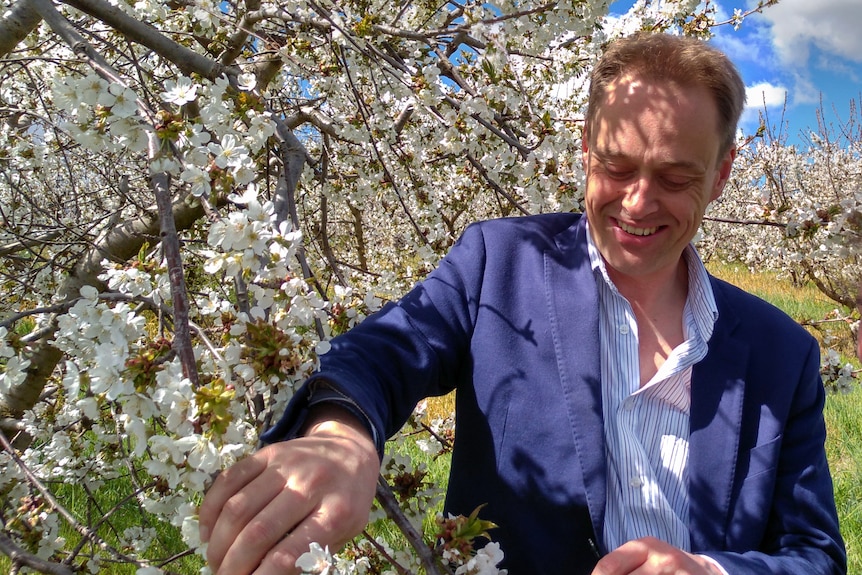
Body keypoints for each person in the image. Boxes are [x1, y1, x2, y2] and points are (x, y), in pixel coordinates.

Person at [198, 32, 847, 575]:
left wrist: (711, 571)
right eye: (617, 167)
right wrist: (339, 435)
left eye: (677, 178)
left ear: (723, 172)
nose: (639, 203)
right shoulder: (497, 263)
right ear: (586, 147)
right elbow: (387, 350)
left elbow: (816, 555)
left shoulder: (781, 354)